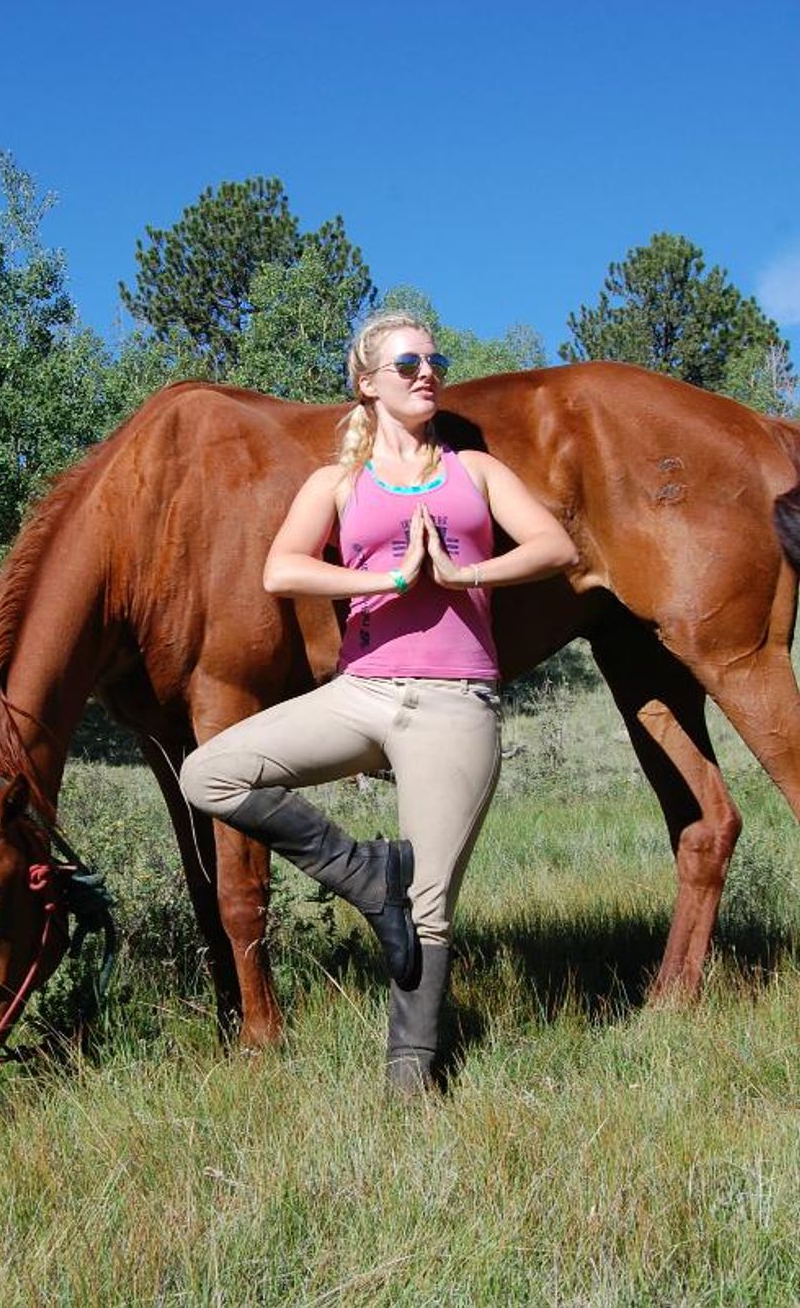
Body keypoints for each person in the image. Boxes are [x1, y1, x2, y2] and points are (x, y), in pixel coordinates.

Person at [180, 310, 577, 1092]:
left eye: (436, 358)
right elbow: (281, 570)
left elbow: (556, 546)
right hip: (359, 691)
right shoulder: (337, 483)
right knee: (208, 774)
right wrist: (385, 580)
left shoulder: (475, 471)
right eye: (407, 362)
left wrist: (463, 576)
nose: (427, 371)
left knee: (428, 912)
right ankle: (365, 874)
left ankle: (410, 1080)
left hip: (455, 702)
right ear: (367, 384)